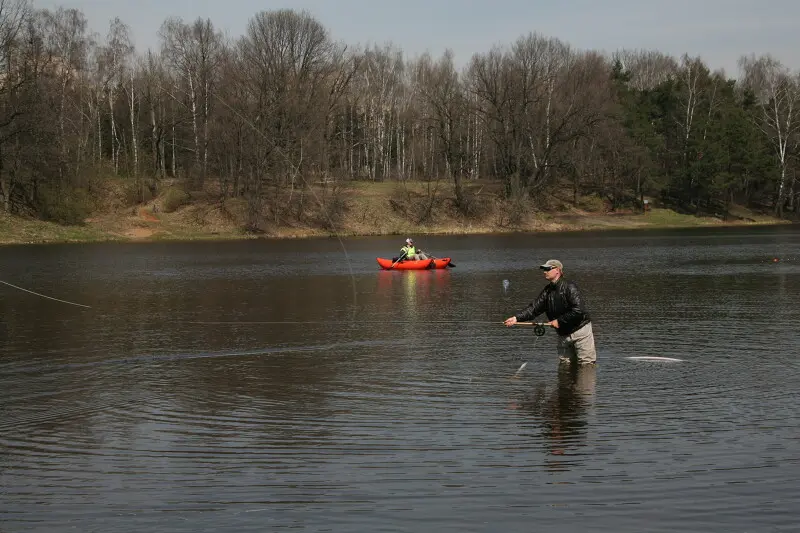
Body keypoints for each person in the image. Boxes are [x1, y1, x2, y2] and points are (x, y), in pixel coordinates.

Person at [504, 259, 597, 365]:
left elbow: (579, 310)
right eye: (544, 269)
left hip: (580, 331)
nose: (544, 272)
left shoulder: (569, 286)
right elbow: (534, 309)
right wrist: (516, 318)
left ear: (557, 270)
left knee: (586, 364)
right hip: (563, 334)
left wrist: (559, 321)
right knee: (565, 365)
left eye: (547, 269)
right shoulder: (547, 291)